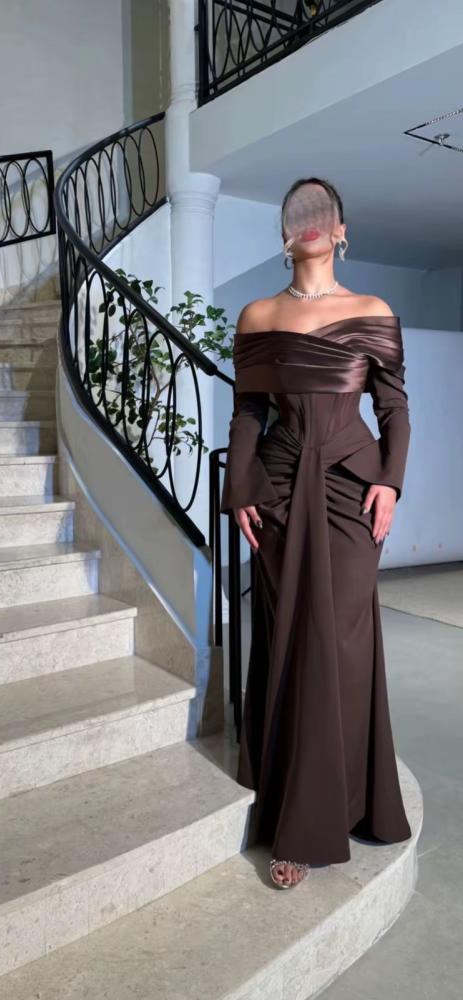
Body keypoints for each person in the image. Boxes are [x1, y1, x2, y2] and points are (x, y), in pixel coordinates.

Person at [220, 177, 412, 889]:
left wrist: (389, 481)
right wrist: (239, 488)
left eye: (320, 211)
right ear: (284, 231)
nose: (308, 220)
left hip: (351, 490)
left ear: (339, 230)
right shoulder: (258, 313)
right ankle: (295, 819)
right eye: (296, 211)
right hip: (275, 487)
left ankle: (351, 798)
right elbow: (247, 413)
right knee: (291, 636)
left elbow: (393, 409)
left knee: (342, 642)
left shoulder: (371, 310)